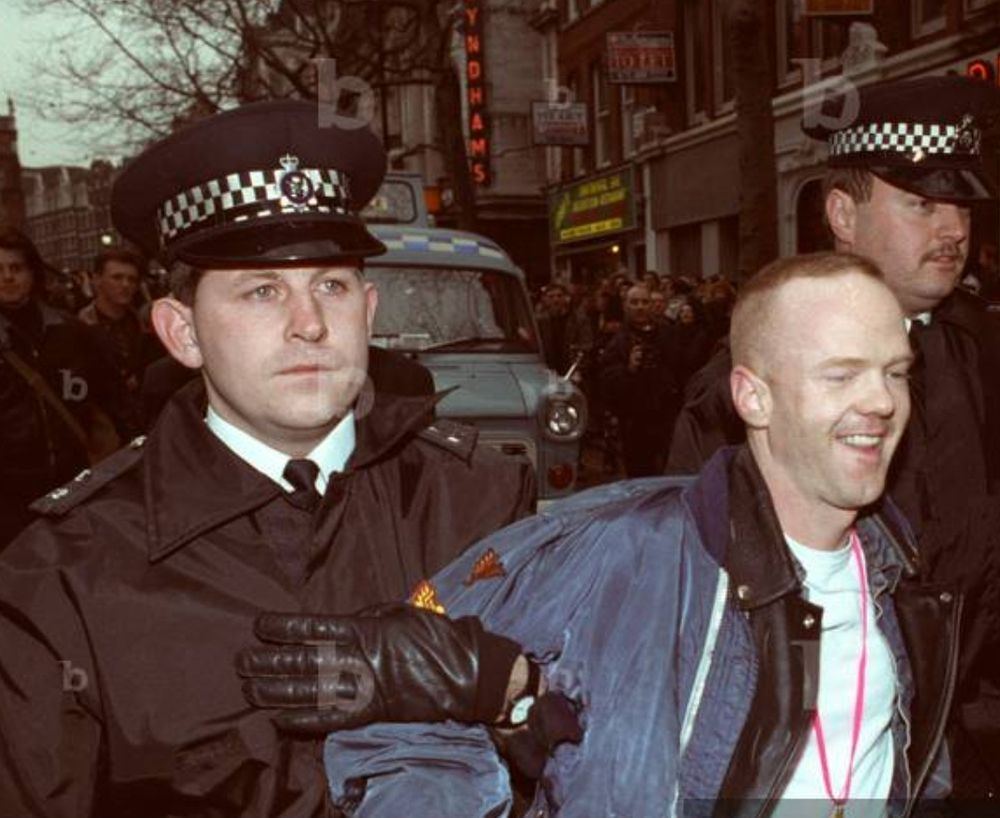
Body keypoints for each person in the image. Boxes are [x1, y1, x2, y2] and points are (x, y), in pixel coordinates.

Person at [271, 252, 957, 817]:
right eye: (842, 375)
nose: (882, 401)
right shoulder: (613, 549)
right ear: (754, 397)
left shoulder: (904, 576)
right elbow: (404, 721)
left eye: (895, 372)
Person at [0, 99, 536, 817]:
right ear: (181, 333)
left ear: (369, 311)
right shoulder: (70, 571)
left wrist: (513, 691)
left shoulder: (484, 504)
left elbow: (618, 759)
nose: (310, 322)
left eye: (332, 286)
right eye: (261, 291)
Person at [667, 75, 1000, 799]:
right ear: (843, 214)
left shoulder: (974, 353)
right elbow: (694, 615)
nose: (953, 229)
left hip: (955, 754)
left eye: (962, 206)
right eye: (922, 204)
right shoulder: (746, 386)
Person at [0, 230, 121, 549]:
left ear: (32, 273)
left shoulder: (72, 333)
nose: (8, 277)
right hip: (7, 498)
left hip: (71, 488)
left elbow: (113, 401)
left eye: (16, 268)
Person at [600, 282, 680, 476]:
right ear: (626, 306)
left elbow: (681, 368)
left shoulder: (668, 333)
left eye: (645, 302)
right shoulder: (617, 341)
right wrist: (629, 369)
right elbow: (606, 381)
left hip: (665, 416)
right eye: (634, 302)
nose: (640, 307)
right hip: (634, 421)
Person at [78, 248, 161, 434]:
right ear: (97, 279)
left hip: (147, 423)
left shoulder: (145, 326)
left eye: (132, 279)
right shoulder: (80, 329)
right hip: (106, 429)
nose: (125, 285)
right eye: (117, 277)